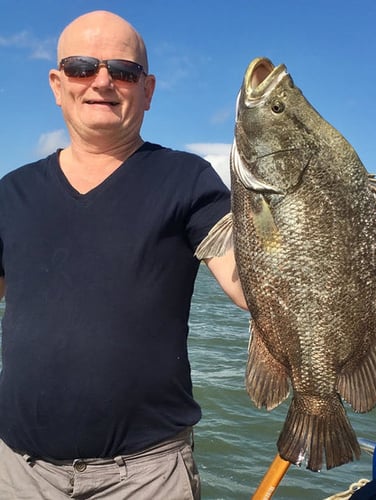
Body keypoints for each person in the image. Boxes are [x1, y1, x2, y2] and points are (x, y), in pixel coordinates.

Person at [0, 10, 246, 499]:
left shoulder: (187, 179)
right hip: (18, 470)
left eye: (123, 70)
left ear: (148, 89)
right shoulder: (12, 192)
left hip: (147, 475)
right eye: (81, 67)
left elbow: (247, 282)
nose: (102, 81)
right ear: (56, 83)